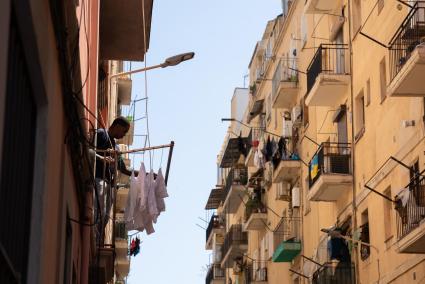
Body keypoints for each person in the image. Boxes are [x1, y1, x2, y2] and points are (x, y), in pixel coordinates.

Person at [91, 116, 137, 242]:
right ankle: (92, 236)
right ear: (117, 126)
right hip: (98, 178)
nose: (124, 134)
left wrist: (147, 174)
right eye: (124, 131)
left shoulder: (116, 148)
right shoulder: (101, 134)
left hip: (109, 185)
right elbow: (90, 150)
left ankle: (96, 240)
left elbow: (124, 169)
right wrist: (103, 156)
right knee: (98, 209)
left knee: (105, 215)